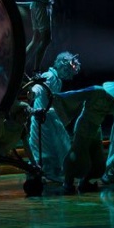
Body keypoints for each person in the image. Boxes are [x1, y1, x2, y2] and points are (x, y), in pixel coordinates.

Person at [52, 84, 114, 194]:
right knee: (78, 156)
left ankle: (85, 181)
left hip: (96, 129)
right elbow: (77, 94)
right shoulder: (97, 91)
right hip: (84, 126)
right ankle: (68, 182)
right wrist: (59, 96)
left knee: (98, 160)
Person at [27, 51, 81, 182]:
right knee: (45, 147)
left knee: (57, 145)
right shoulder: (49, 76)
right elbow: (40, 87)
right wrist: (33, 93)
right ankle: (42, 173)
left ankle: (53, 172)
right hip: (42, 118)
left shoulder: (57, 80)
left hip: (50, 118)